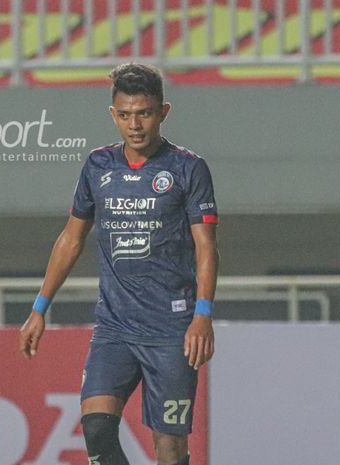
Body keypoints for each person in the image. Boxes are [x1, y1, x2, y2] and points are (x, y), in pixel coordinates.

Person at [19, 63, 219, 465]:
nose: (135, 124)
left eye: (144, 113)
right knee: (96, 429)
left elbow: (206, 248)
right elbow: (71, 238)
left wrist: (202, 314)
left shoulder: (187, 169)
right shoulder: (98, 166)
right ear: (113, 114)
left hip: (171, 331)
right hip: (114, 329)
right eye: (125, 114)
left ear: (163, 112)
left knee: (170, 449)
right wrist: (39, 307)